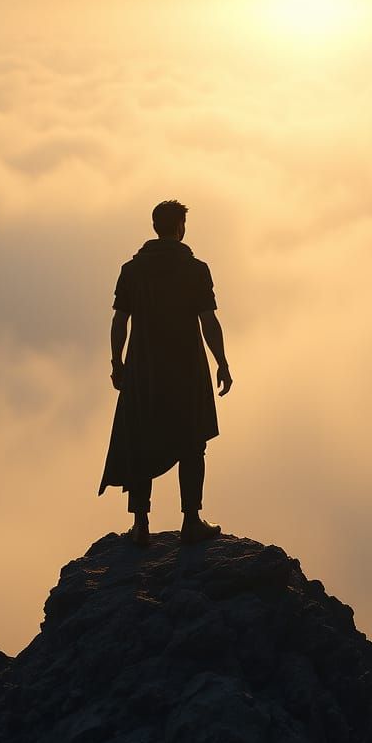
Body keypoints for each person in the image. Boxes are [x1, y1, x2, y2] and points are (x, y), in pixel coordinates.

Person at [98, 199, 232, 546]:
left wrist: (117, 363)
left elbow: (119, 321)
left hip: (143, 368)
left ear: (155, 227)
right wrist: (222, 362)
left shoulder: (132, 270)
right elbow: (208, 321)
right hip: (187, 367)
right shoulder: (196, 270)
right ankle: (191, 520)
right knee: (192, 442)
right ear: (180, 228)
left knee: (140, 440)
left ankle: (140, 525)